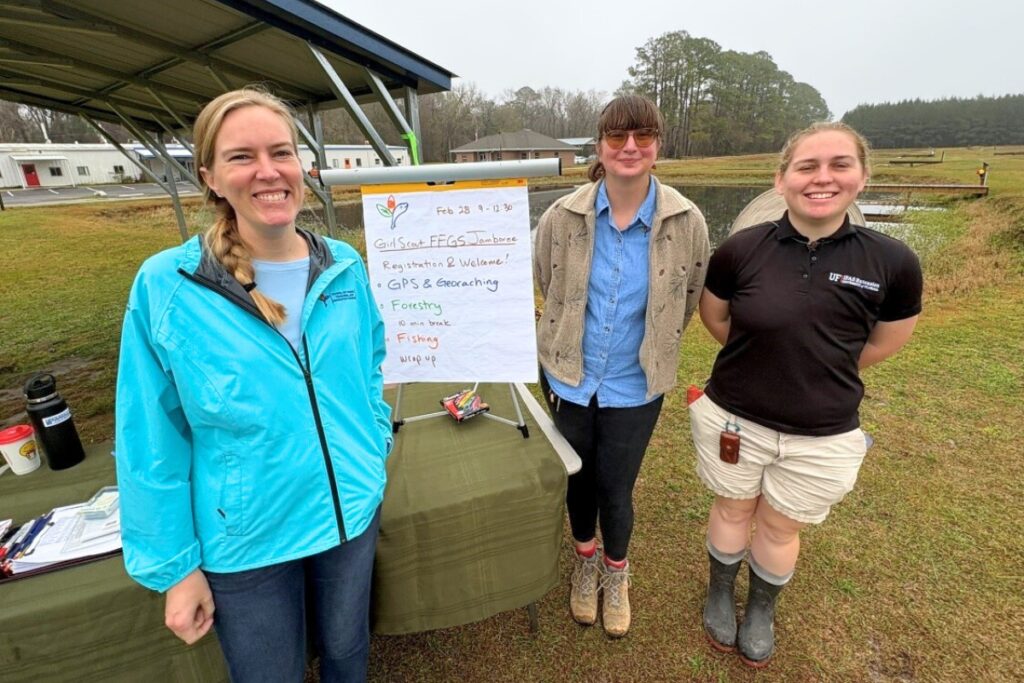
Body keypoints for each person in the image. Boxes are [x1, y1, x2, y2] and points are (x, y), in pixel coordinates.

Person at [115, 88, 392, 683]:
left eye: (281, 152)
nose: (268, 172)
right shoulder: (168, 286)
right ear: (210, 176)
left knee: (348, 655)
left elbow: (369, 362)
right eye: (242, 157)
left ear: (303, 167)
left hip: (349, 518)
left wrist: (372, 446)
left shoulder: (343, 264)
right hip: (247, 542)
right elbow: (149, 437)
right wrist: (175, 567)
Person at [690, 122, 923, 667]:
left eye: (840, 165)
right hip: (734, 417)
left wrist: (825, 365)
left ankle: (762, 607)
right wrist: (765, 350)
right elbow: (715, 316)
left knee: (779, 523)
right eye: (807, 166)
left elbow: (889, 337)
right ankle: (720, 591)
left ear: (862, 177)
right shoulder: (740, 249)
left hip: (823, 431)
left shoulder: (893, 262)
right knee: (731, 507)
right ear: (782, 179)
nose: (823, 178)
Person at [534, 95, 710, 637]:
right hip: (567, 376)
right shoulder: (561, 217)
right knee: (577, 479)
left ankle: (616, 571)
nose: (629, 147)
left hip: (637, 385)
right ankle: (584, 563)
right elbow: (548, 284)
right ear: (600, 146)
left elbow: (688, 297)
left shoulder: (687, 221)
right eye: (617, 137)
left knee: (616, 486)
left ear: (658, 144)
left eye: (642, 136)